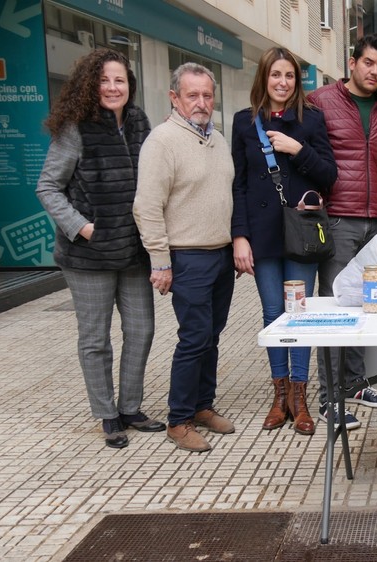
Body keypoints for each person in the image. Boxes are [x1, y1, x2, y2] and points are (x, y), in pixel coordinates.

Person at [35, 48, 164, 449]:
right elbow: (47, 187)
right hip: (87, 257)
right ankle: (107, 414)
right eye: (104, 80)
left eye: (120, 80)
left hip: (132, 252)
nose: (112, 87)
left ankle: (130, 407)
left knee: (141, 330)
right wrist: (83, 228)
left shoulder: (140, 122)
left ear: (130, 84)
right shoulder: (76, 127)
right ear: (91, 85)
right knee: (95, 339)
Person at [231, 48, 338, 435]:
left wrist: (298, 150)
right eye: (275, 74)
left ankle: (300, 397)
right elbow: (239, 184)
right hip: (261, 236)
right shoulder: (244, 122)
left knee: (299, 315)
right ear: (264, 78)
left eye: (289, 76)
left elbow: (329, 175)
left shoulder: (310, 121)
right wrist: (239, 236)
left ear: (297, 81)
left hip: (300, 235)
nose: (282, 82)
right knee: (273, 314)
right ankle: (279, 397)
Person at [133, 63, 237, 452]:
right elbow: (146, 206)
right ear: (174, 98)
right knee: (193, 338)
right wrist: (160, 261)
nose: (201, 102)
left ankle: (202, 407)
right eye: (192, 95)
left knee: (212, 336)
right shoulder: (161, 142)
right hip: (186, 257)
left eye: (207, 95)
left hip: (220, 255)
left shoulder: (219, 139)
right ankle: (178, 421)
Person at [306, 34, 377, 428]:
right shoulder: (320, 101)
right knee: (336, 309)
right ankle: (329, 397)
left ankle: (356, 383)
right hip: (339, 219)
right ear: (352, 62)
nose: (374, 71)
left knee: (366, 305)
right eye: (368, 63)